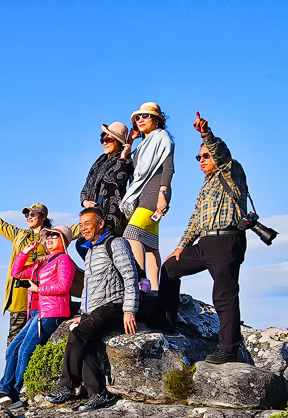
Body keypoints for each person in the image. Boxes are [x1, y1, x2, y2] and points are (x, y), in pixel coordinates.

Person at [159, 112, 249, 364]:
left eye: (205, 156)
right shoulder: (206, 185)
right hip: (204, 243)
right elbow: (195, 220)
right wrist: (181, 246)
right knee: (170, 267)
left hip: (226, 240)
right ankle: (166, 324)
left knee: (224, 294)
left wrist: (205, 134)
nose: (201, 160)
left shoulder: (231, 171)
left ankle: (229, 349)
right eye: (198, 157)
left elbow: (220, 152)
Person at [45, 208, 138, 412]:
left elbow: (131, 276)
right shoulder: (90, 251)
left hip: (115, 305)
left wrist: (129, 310)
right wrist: (82, 314)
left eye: (88, 223)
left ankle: (67, 387)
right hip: (95, 309)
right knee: (88, 343)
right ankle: (97, 394)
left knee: (78, 336)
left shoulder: (116, 243)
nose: (84, 228)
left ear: (101, 223)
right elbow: (89, 287)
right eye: (81, 224)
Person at [0, 226, 77, 408]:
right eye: (47, 236)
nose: (49, 239)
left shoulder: (64, 260)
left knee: (25, 350)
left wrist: (38, 289)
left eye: (54, 236)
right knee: (12, 349)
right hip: (39, 313)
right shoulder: (44, 262)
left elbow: (64, 286)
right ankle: (4, 391)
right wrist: (25, 252)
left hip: (52, 313)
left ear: (64, 240)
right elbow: (16, 273)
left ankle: (15, 395)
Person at [0, 195, 50, 343]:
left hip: (42, 294)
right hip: (19, 294)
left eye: (33, 214)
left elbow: (74, 230)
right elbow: (1, 225)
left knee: (39, 338)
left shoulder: (52, 236)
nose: (29, 217)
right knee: (15, 337)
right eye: (27, 214)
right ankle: (10, 366)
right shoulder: (19, 235)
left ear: (43, 216)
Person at [120, 102, 175, 290]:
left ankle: (140, 281)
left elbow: (168, 169)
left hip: (155, 192)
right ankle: (155, 288)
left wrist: (163, 194)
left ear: (157, 120)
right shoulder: (143, 145)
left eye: (146, 116)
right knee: (150, 243)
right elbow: (132, 170)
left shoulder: (163, 138)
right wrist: (131, 142)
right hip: (143, 193)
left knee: (131, 235)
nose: (140, 120)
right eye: (138, 117)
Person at [77, 120, 134, 255]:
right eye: (102, 139)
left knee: (106, 246)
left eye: (108, 139)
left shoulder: (126, 161)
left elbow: (117, 179)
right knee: (82, 244)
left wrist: (123, 156)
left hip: (111, 215)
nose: (104, 143)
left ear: (119, 142)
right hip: (93, 213)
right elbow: (86, 184)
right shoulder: (99, 161)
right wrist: (85, 201)